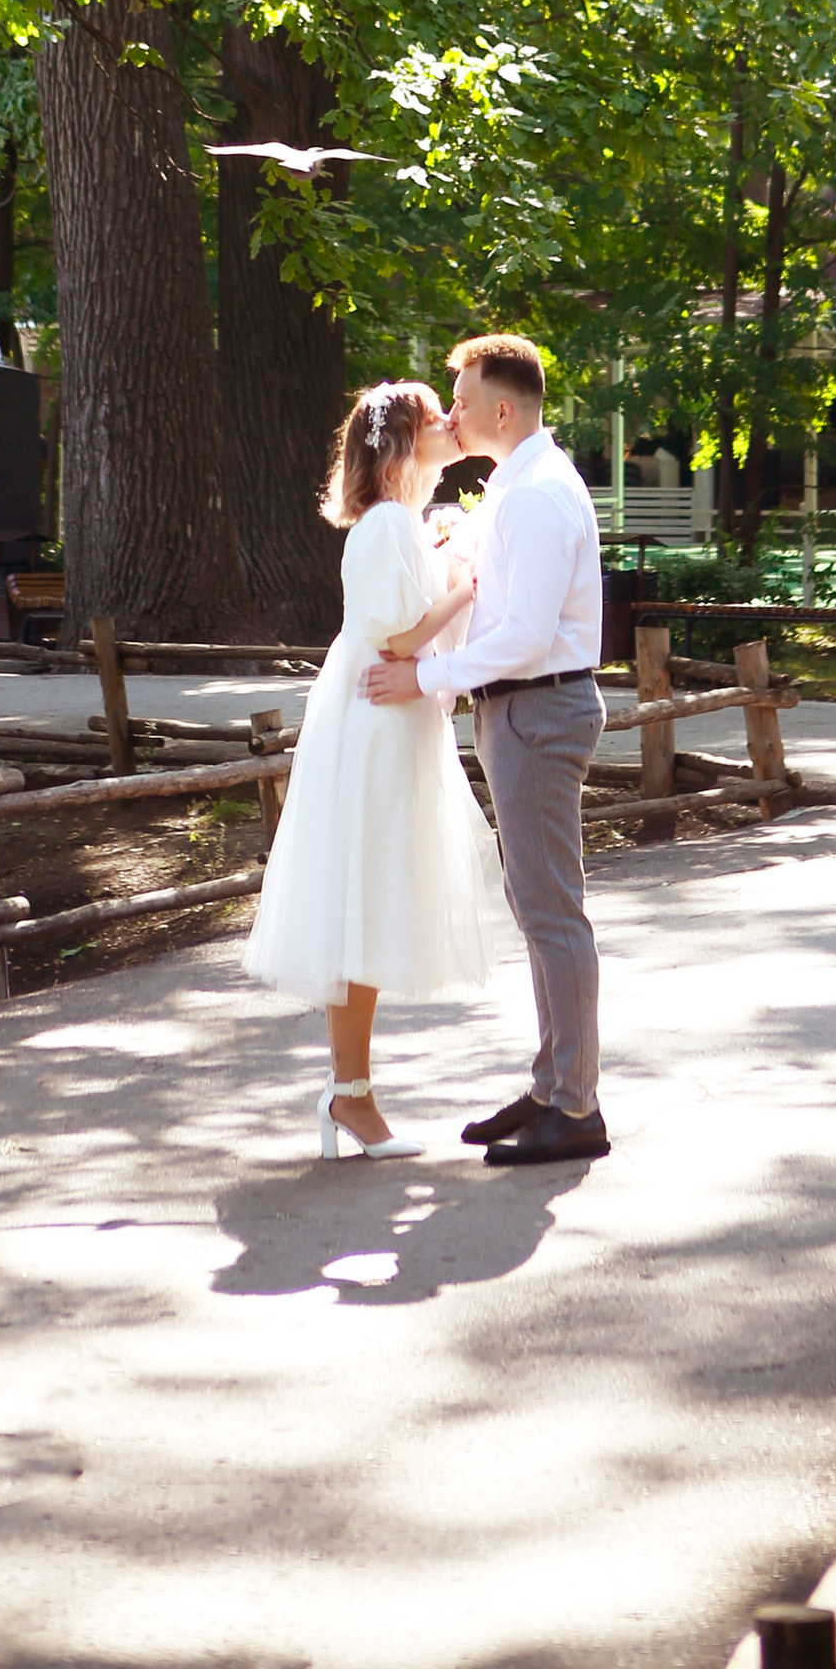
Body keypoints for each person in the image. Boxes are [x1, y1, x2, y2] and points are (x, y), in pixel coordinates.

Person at [243, 377, 517, 1157]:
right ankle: (350, 1095)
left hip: (383, 717)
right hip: (376, 721)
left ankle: (349, 1091)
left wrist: (449, 562)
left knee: (366, 902)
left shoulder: (397, 523)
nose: (451, 424)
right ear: (401, 443)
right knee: (362, 902)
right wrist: (466, 588)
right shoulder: (389, 524)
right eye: (436, 418)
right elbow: (400, 639)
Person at [363, 329, 609, 1167]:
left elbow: (526, 636)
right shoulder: (516, 486)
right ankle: (552, 1085)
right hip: (519, 711)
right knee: (537, 905)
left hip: (539, 708)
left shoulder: (538, 493)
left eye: (462, 401)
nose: (452, 414)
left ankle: (576, 1106)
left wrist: (425, 676)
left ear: (503, 411)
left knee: (552, 912)